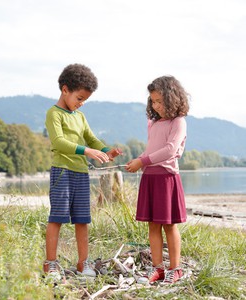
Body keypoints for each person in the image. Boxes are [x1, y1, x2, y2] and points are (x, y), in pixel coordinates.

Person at [44, 63, 121, 280]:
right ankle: (50, 264)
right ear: (65, 90)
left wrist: (106, 150)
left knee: (82, 219)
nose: (81, 103)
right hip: (62, 171)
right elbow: (59, 142)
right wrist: (87, 151)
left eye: (85, 100)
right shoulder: (54, 113)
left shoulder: (80, 117)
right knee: (56, 218)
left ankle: (83, 263)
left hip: (81, 174)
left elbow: (91, 138)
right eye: (79, 98)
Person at [125, 75, 189, 284]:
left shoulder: (179, 122)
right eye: (153, 101)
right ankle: (158, 269)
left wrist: (142, 160)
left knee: (169, 225)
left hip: (166, 178)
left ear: (172, 99)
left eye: (160, 101)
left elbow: (170, 150)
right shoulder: (153, 122)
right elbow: (152, 148)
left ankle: (175, 269)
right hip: (150, 177)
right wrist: (138, 162)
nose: (156, 105)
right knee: (153, 226)